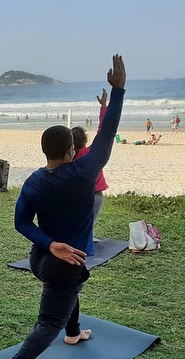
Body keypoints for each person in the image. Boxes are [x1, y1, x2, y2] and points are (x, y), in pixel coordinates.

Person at [0, 54, 125, 359]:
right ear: (71, 150)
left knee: (75, 280)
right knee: (49, 320)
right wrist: (119, 91)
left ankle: (74, 331)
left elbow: (21, 222)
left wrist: (49, 243)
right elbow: (108, 133)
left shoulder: (34, 181)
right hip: (59, 264)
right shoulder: (85, 173)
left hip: (40, 258)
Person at [72, 89, 110, 243]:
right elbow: (103, 130)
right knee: (90, 219)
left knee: (81, 217)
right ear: (85, 139)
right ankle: (85, 239)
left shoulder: (69, 158)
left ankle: (82, 236)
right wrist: (104, 106)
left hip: (78, 194)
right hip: (94, 193)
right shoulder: (90, 154)